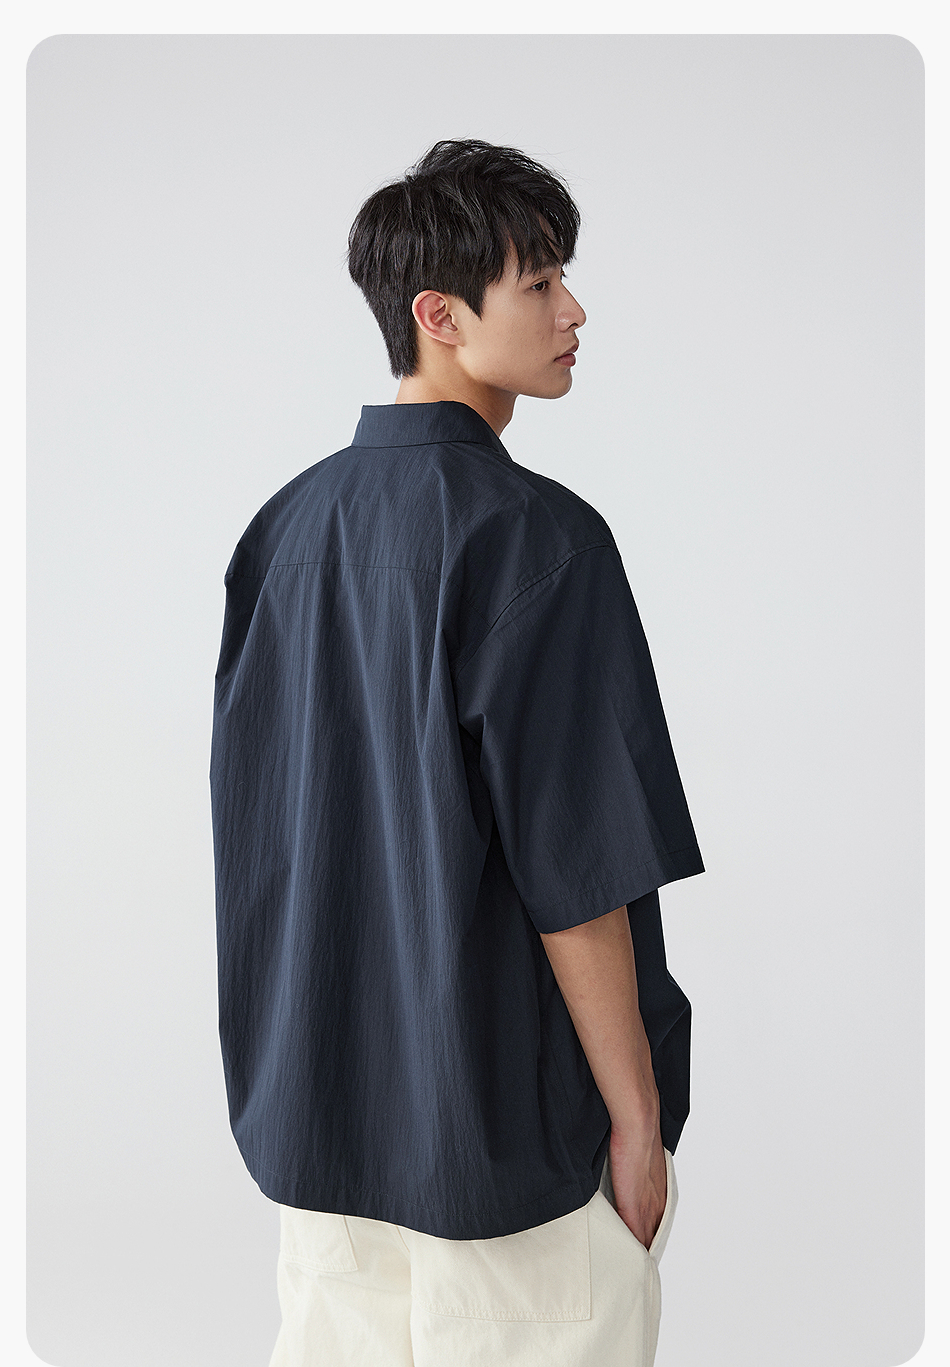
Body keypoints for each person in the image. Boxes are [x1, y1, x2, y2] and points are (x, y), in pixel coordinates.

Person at [210, 138, 704, 1366]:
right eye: (539, 282)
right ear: (439, 315)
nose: (572, 310)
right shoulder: (538, 540)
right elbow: (577, 870)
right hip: (513, 1160)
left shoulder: (284, 533)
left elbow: (263, 834)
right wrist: (635, 1119)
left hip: (323, 1148)